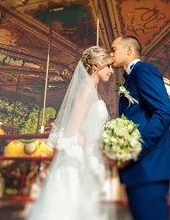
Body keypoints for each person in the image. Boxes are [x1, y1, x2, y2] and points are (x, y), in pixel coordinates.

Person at [28, 46, 114, 220]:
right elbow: (71, 130)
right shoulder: (87, 88)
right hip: (79, 158)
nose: (112, 71)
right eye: (108, 66)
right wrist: (87, 146)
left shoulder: (90, 88)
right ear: (96, 66)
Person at [110, 36, 170, 220]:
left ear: (128, 50)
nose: (111, 54)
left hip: (149, 168)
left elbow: (164, 112)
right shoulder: (129, 79)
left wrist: (133, 149)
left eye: (113, 48)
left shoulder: (144, 71)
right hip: (139, 171)